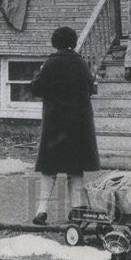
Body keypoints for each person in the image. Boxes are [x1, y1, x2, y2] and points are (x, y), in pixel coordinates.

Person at [30, 26, 101, 225]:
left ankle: (41, 210)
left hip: (55, 124)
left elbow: (36, 88)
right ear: (74, 41)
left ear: (55, 42)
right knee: (75, 168)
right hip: (78, 125)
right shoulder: (81, 64)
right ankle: (77, 209)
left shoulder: (50, 63)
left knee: (49, 168)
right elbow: (90, 88)